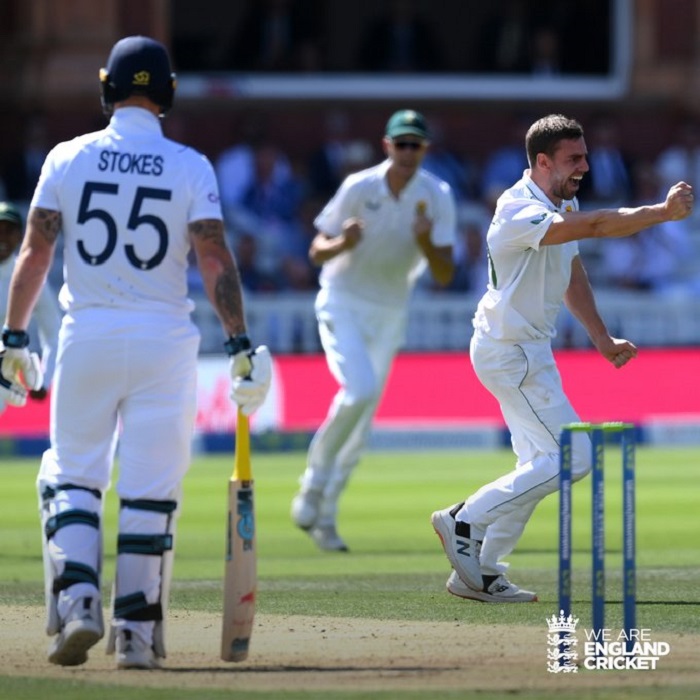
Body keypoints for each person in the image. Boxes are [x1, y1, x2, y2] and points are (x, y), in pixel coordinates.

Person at [1, 36, 271, 670]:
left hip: (88, 333)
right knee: (151, 492)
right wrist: (238, 342)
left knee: (72, 476)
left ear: (106, 90)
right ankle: (137, 635)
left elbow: (35, 254)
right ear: (167, 94)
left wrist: (12, 337)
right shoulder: (189, 164)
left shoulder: (67, 157)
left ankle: (78, 602)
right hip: (163, 343)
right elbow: (212, 256)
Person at [431, 114, 693, 603]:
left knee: (536, 464)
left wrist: (601, 337)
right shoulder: (516, 209)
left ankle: (481, 571)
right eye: (574, 159)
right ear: (543, 161)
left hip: (528, 349)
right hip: (509, 351)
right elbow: (595, 226)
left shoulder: (560, 201)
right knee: (572, 459)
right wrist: (659, 212)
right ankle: (463, 519)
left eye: (586, 156)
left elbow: (571, 272)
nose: (585, 167)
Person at [291, 109, 457, 551]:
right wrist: (343, 243)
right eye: (399, 144)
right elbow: (315, 251)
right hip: (343, 301)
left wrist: (424, 241)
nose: (406, 152)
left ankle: (324, 516)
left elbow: (443, 272)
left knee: (361, 423)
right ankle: (312, 486)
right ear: (387, 146)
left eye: (414, 145)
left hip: (390, 311)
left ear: (425, 149)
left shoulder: (437, 194)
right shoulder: (358, 186)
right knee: (359, 390)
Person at [0, 201, 61, 409]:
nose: (2, 237)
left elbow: (54, 333)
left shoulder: (30, 279)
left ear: (20, 237)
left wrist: (44, 380)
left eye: (9, 231)